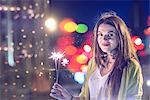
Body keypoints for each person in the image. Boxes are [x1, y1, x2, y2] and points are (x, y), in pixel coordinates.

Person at [50, 11, 143, 100]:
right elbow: (85, 98)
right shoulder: (93, 63)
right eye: (100, 34)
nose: (104, 39)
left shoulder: (131, 66)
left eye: (110, 35)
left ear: (120, 37)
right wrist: (70, 98)